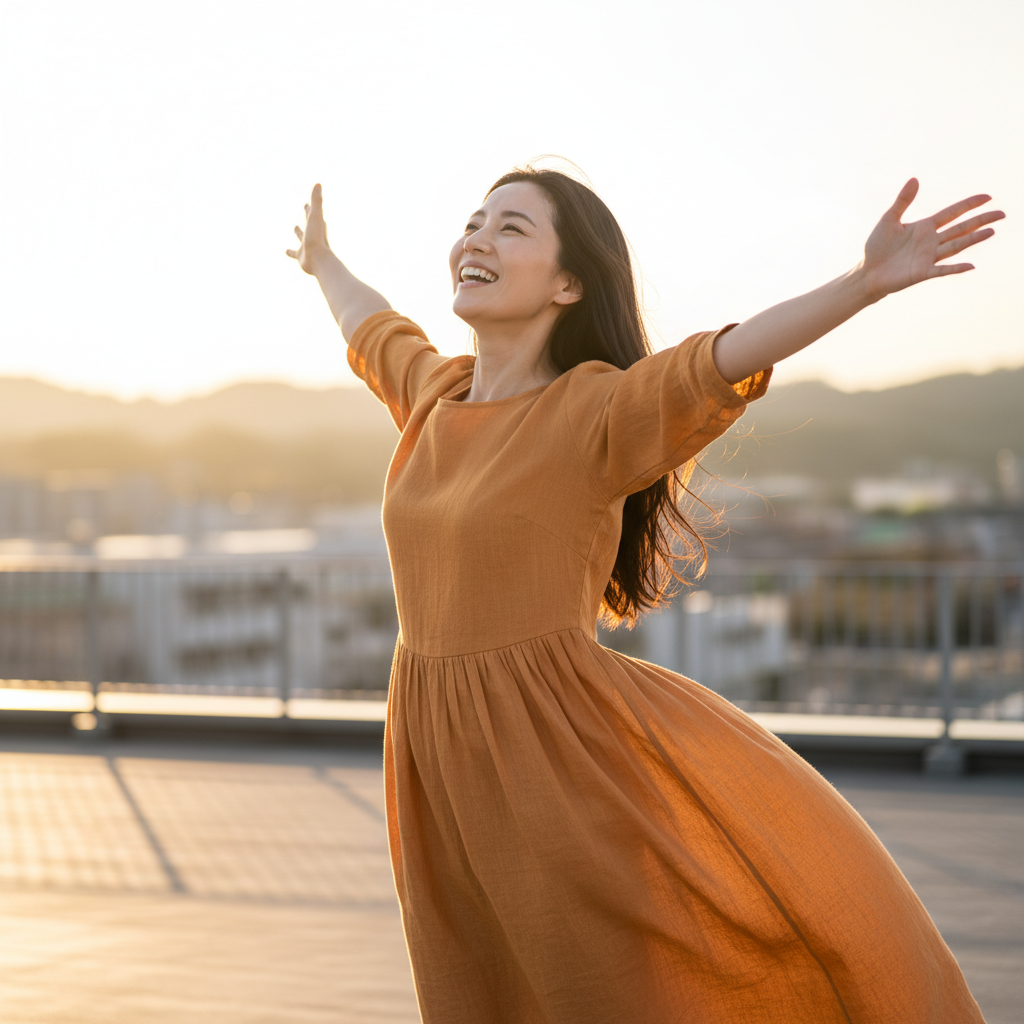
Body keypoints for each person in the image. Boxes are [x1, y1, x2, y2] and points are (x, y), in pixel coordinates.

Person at [287, 165, 1002, 1024]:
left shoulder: (592, 411)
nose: (476, 238)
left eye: (511, 227)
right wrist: (322, 260)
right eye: (474, 222)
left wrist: (864, 282)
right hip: (433, 755)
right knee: (477, 989)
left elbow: (727, 355)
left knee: (603, 992)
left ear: (569, 282)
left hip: (554, 754)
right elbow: (370, 324)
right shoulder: (433, 396)